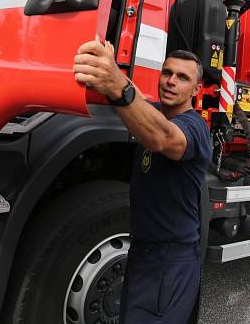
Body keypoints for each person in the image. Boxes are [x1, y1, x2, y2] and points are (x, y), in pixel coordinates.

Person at [73, 36, 211, 324]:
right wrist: (110, 69)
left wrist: (117, 84)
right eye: (167, 72)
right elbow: (138, 104)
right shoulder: (153, 112)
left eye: (182, 77)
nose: (171, 81)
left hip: (170, 262)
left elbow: (162, 138)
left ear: (196, 89)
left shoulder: (195, 127)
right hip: (143, 252)